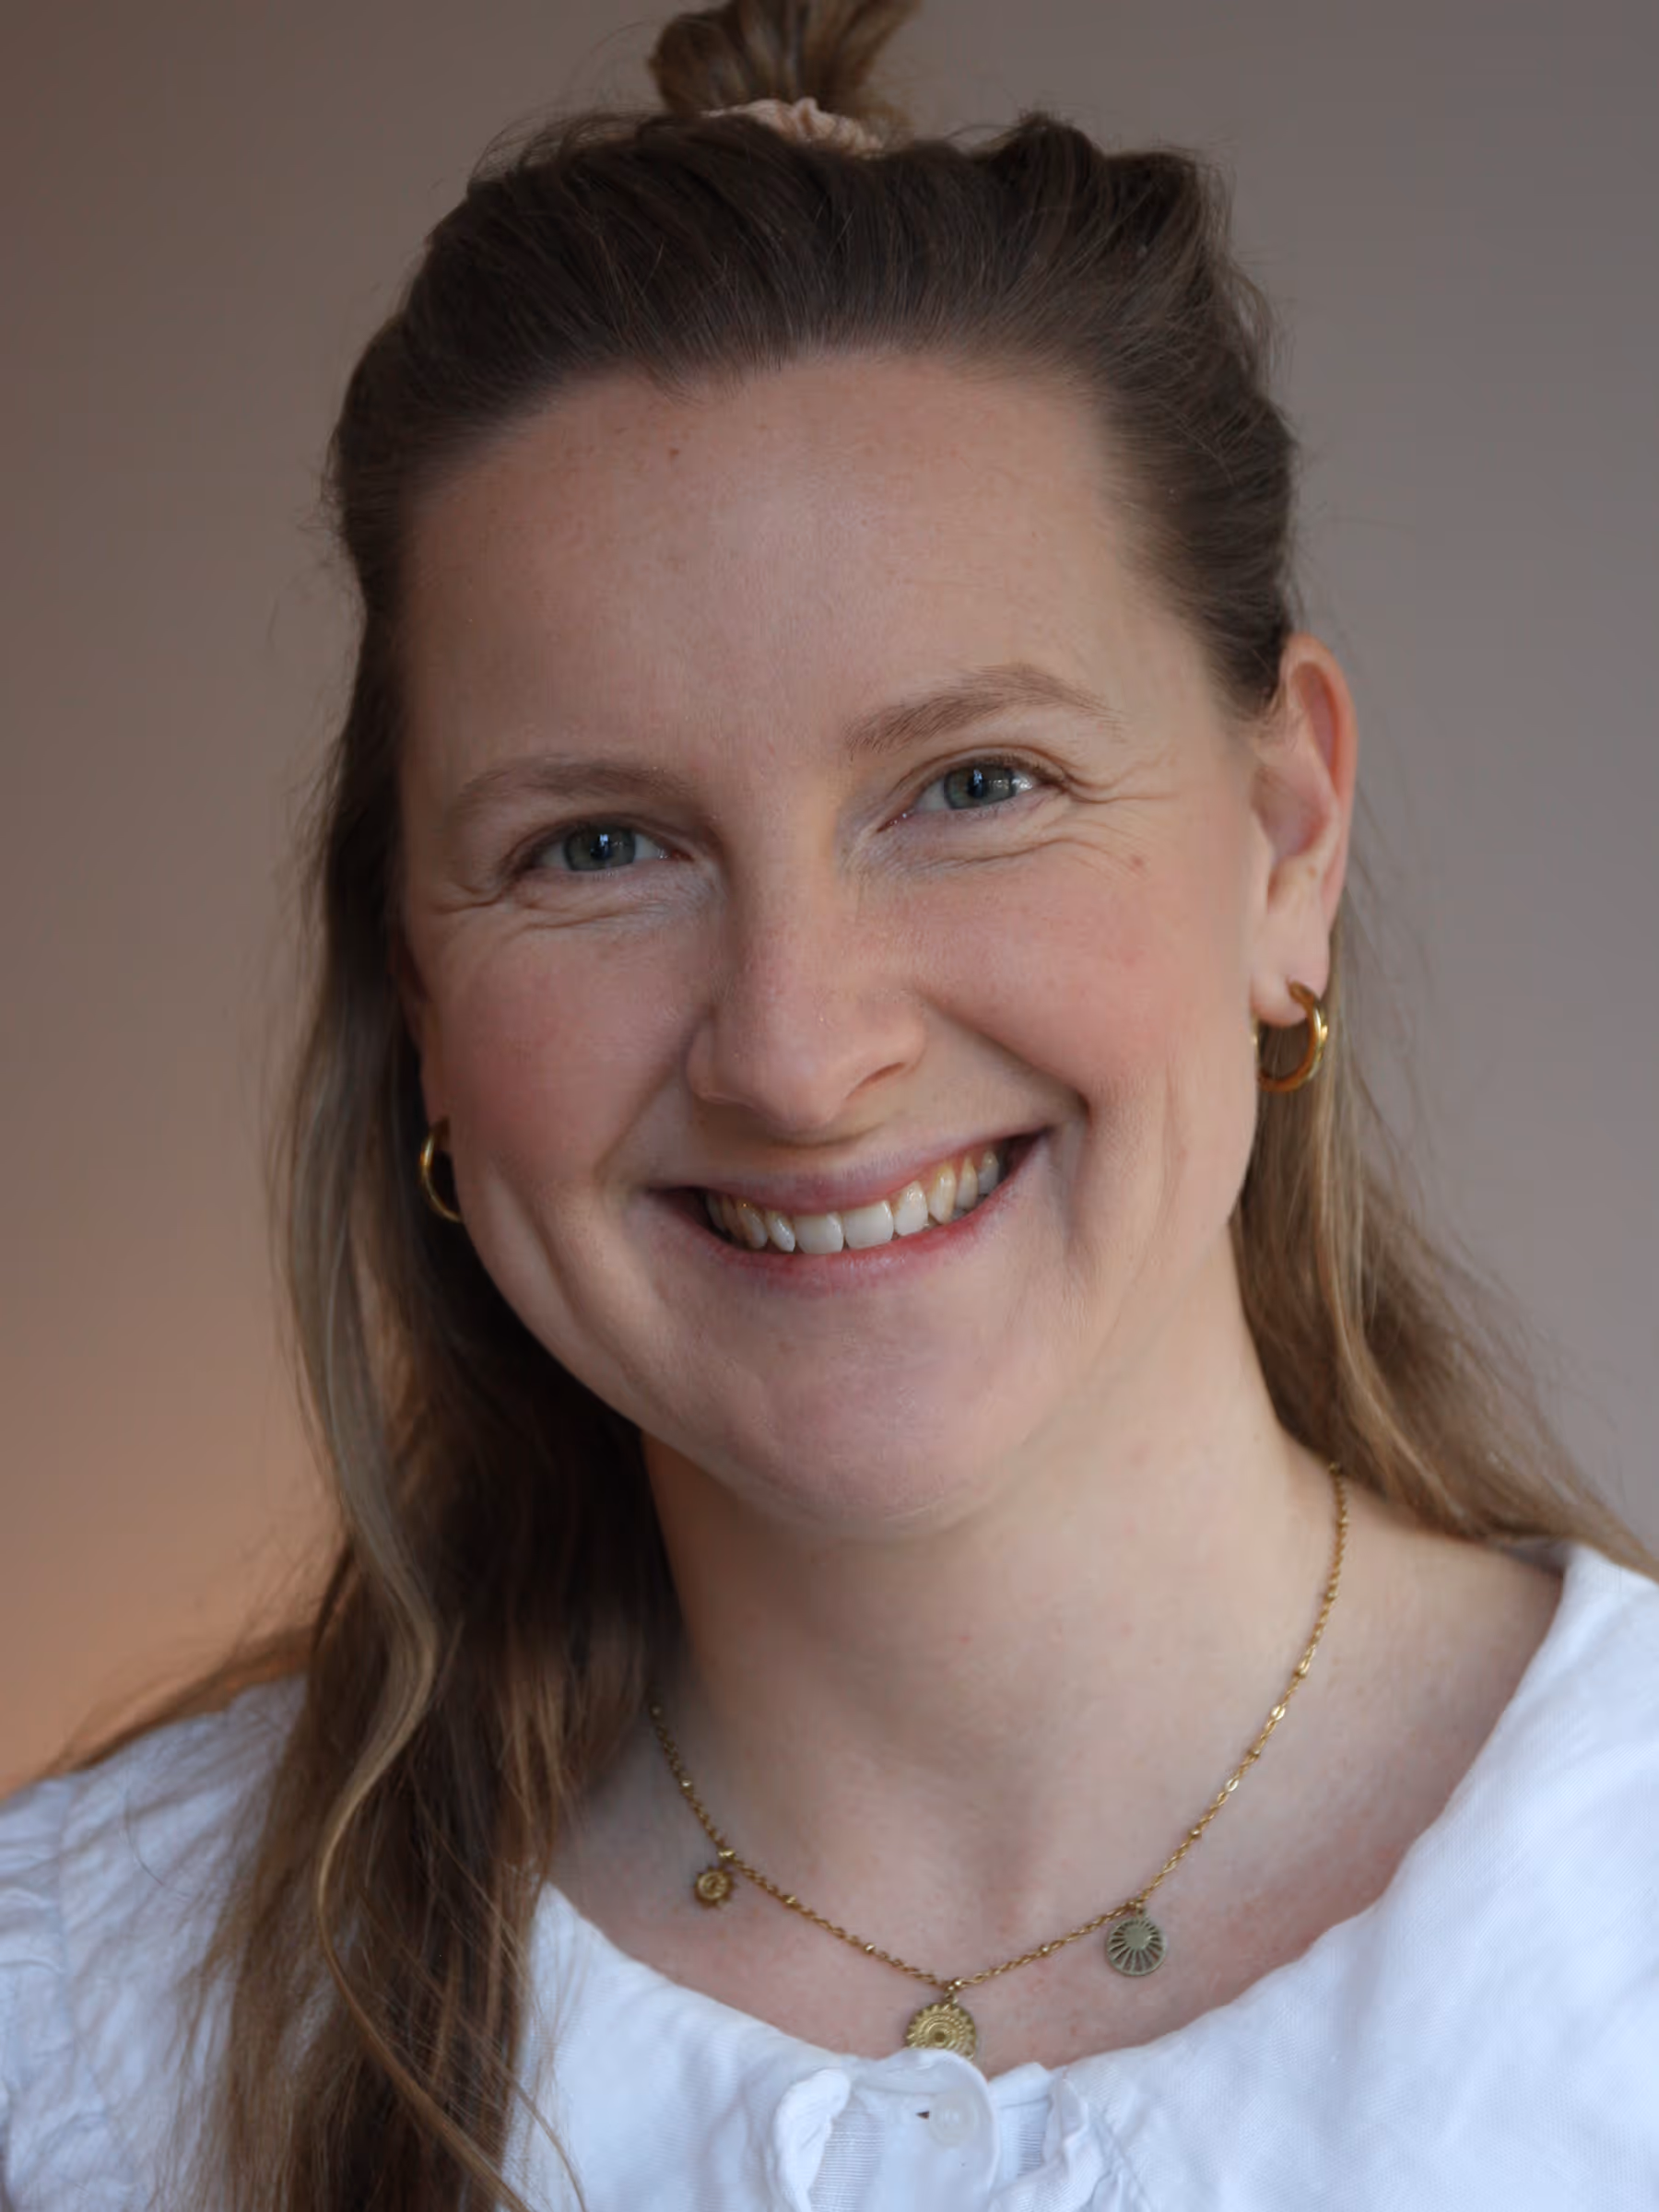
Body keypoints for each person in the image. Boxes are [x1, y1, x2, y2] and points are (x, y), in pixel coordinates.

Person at [3, 2, 1656, 2206]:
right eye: (597, 846)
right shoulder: (82, 2032)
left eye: (975, 786)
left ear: (1287, 841)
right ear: (416, 981)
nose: (795, 1051)